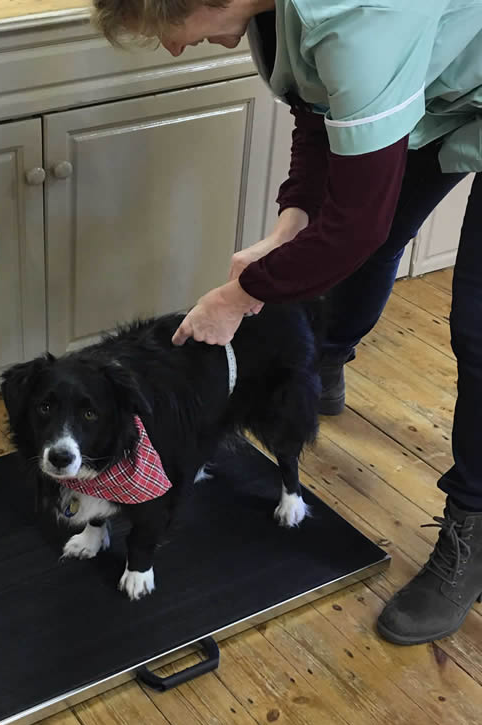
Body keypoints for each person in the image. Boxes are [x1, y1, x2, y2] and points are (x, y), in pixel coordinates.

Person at [90, 0, 482, 645]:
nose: (173, 51)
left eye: (168, 32)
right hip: (443, 80)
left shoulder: (359, 19)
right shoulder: (271, 13)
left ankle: (473, 525)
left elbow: (357, 222)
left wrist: (239, 295)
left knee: (477, 328)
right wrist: (290, 225)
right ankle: (316, 366)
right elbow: (321, 115)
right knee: (354, 250)